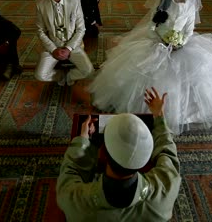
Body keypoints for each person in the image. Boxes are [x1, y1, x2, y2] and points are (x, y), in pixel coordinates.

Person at [88, 0, 212, 134]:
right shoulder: (163, 3)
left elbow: (189, 30)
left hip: (181, 45)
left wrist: (180, 41)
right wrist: (164, 39)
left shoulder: (190, 6)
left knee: (192, 76)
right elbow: (151, 28)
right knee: (146, 74)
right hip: (158, 43)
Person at [57, 87, 180, 221]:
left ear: (102, 155)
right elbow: (167, 154)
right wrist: (159, 117)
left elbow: (70, 171)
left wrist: (82, 141)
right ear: (145, 162)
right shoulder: (168, 188)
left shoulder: (73, 200)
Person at [35, 0, 94, 86]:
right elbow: (41, 31)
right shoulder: (40, 4)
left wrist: (68, 48)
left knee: (89, 71)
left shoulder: (75, 1)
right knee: (40, 75)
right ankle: (60, 75)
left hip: (73, 44)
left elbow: (81, 29)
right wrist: (53, 49)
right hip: (53, 45)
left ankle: (70, 76)